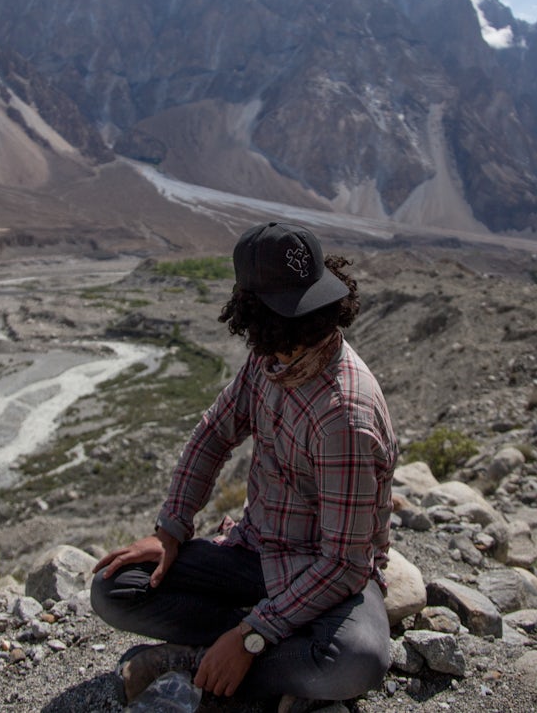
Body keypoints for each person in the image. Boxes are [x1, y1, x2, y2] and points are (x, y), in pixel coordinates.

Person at [91, 222, 397, 712]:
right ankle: (262, 669)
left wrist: (253, 635)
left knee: (354, 659)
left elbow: (343, 565)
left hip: (325, 582)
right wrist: (171, 530)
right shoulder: (268, 361)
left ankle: (197, 663)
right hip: (255, 551)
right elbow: (215, 432)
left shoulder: (346, 417)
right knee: (115, 586)